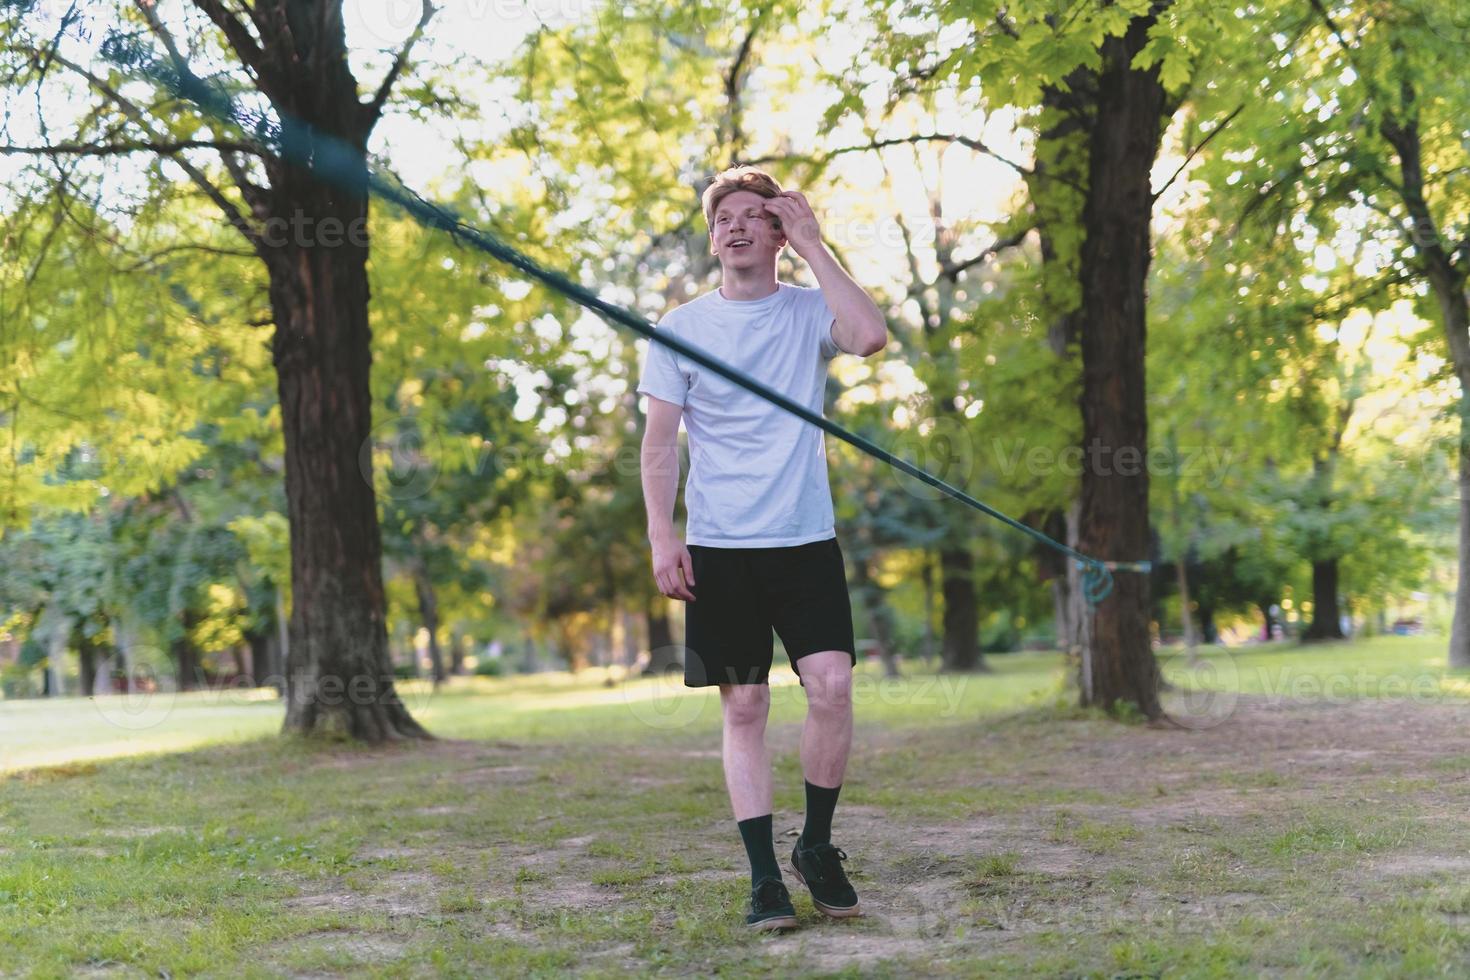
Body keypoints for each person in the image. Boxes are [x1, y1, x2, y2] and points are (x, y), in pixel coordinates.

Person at [636, 166, 888, 931]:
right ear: (713, 238)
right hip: (721, 547)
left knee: (832, 691)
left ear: (779, 232)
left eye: (756, 216)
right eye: (724, 220)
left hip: (805, 541)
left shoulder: (812, 312)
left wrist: (816, 246)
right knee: (743, 704)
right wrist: (661, 535)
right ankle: (763, 880)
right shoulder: (680, 328)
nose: (737, 227)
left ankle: (816, 846)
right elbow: (658, 442)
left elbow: (870, 336)